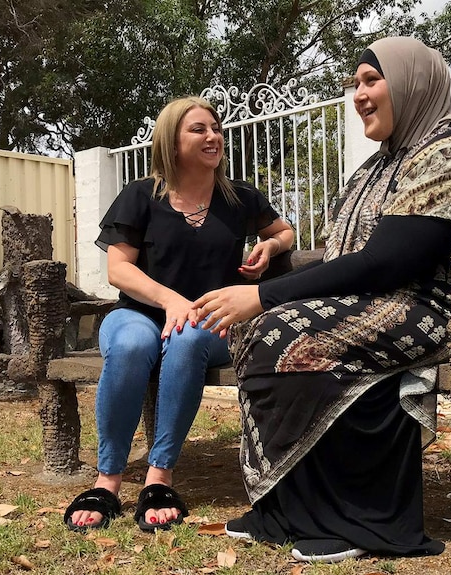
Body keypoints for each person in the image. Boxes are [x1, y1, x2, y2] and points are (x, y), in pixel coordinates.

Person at [193, 37, 451, 562]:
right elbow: (348, 258)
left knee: (287, 335)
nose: (359, 95)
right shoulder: (377, 166)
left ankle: (359, 519)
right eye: (355, 84)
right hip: (373, 300)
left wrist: (264, 294)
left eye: (371, 80)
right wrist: (266, 294)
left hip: (432, 311)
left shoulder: (449, 157)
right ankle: (288, 506)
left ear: (411, 84)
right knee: (262, 330)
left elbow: (388, 262)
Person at [64, 96, 294, 532]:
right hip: (140, 313)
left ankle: (159, 476)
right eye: (199, 129)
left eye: (215, 128)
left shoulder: (240, 196)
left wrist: (271, 245)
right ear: (171, 142)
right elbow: (118, 269)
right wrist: (170, 300)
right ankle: (107, 480)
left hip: (208, 320)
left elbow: (284, 230)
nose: (213, 136)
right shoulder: (141, 195)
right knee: (132, 346)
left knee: (187, 338)